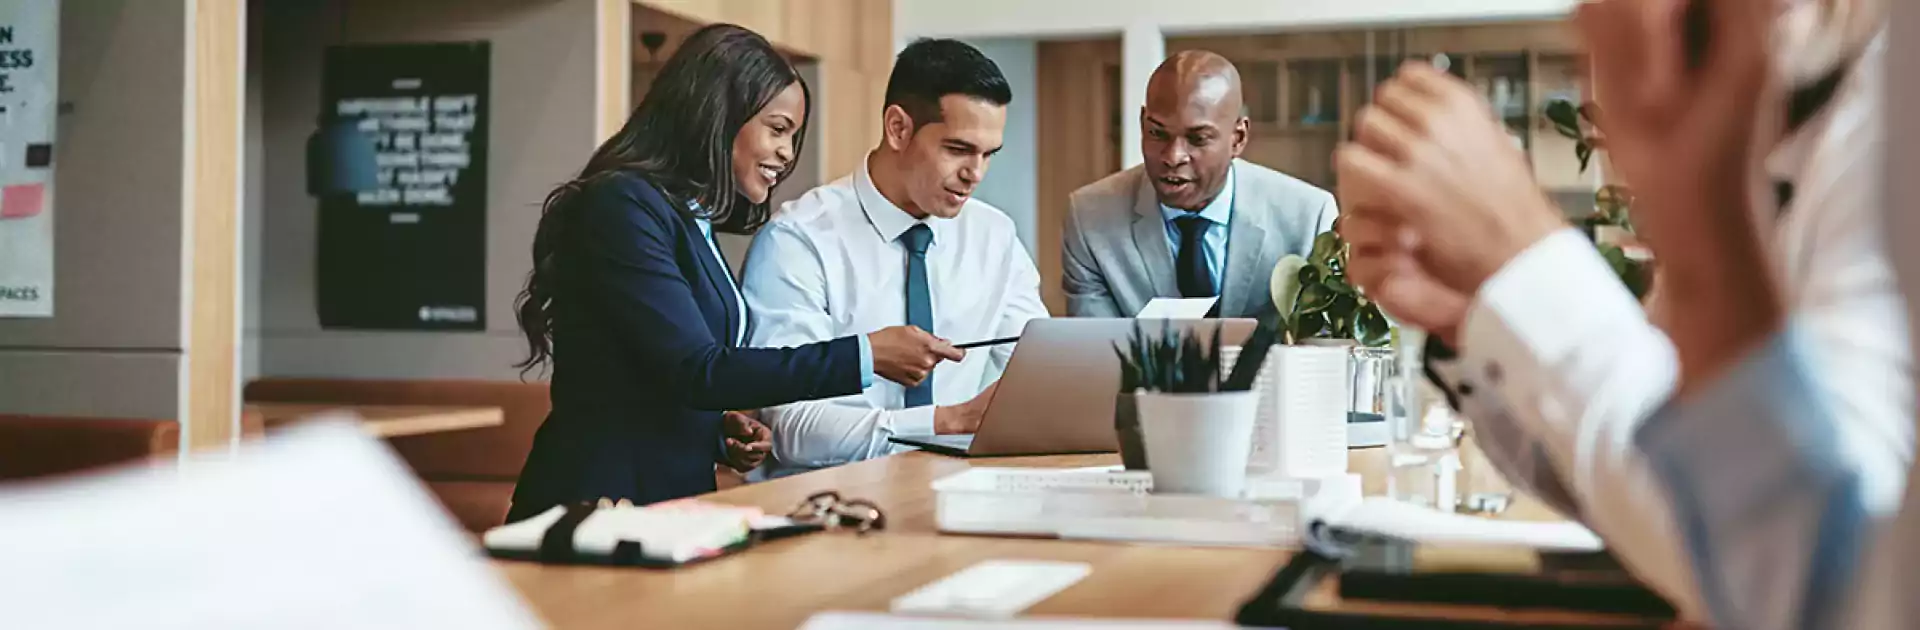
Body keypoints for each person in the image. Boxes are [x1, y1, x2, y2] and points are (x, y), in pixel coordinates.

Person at [1334, 0, 1901, 622]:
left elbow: (1820, 579)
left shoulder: (1890, 111)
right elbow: (1669, 486)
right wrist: (1473, 315)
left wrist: (1523, 264)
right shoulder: (1801, 108)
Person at [503, 24, 964, 520]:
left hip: (666, 506)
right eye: (778, 129)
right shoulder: (623, 204)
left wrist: (716, 432)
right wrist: (865, 355)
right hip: (596, 503)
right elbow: (696, 369)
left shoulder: (690, 219)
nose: (787, 154)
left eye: (794, 136)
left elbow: (662, 376)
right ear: (717, 116)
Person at [740, 39, 1047, 476]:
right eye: (958, 149)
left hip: (959, 494)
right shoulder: (798, 240)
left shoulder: (995, 236)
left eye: (987, 155)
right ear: (899, 128)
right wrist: (946, 422)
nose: (974, 174)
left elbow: (1038, 368)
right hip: (831, 508)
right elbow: (791, 428)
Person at [1062, 50, 1337, 319]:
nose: (1173, 157)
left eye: (1198, 139)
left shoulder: (1307, 218)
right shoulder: (1090, 218)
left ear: (1238, 138)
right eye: (1157, 133)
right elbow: (1096, 352)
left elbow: (1321, 351)